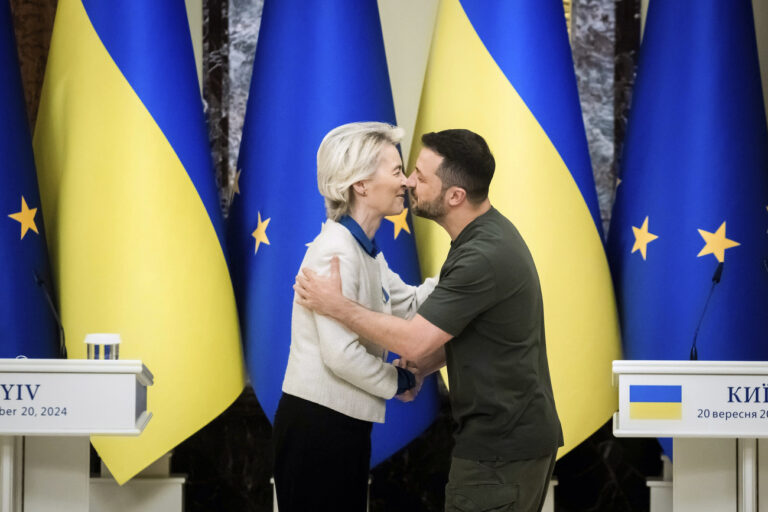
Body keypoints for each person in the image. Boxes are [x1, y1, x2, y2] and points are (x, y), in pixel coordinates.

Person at [295, 129, 563, 512]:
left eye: (419, 174)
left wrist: (338, 307)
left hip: (500, 447)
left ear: (454, 196)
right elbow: (467, 330)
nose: (409, 181)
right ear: (360, 186)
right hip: (505, 441)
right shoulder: (479, 240)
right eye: (405, 170)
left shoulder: (481, 254)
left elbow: (414, 340)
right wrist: (418, 371)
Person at [272, 121, 437, 512]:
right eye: (396, 171)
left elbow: (411, 304)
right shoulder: (336, 252)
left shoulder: (363, 250)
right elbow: (341, 355)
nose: (407, 182)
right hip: (316, 428)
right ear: (360, 184)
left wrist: (464, 265)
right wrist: (400, 379)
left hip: (340, 425)